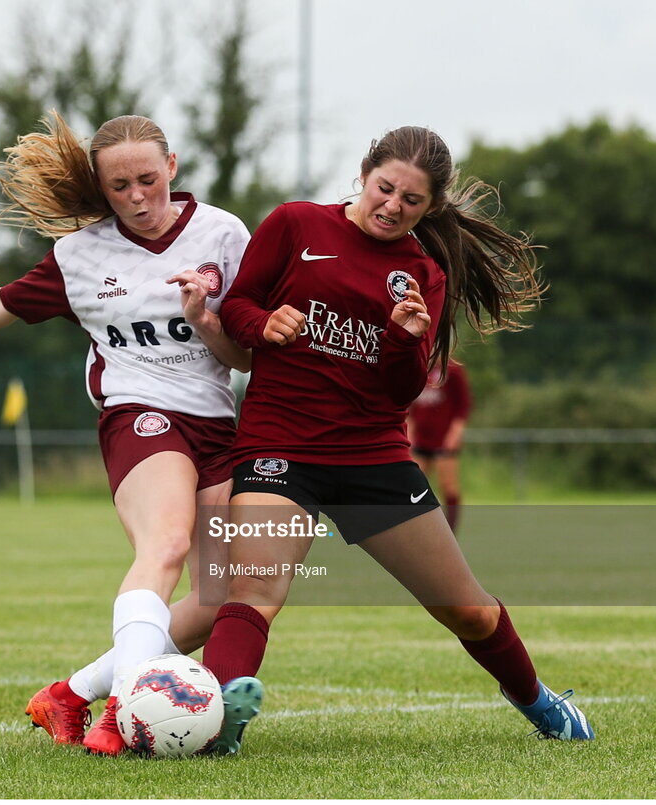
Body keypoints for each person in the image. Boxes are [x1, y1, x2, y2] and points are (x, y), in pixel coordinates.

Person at [0, 111, 251, 756]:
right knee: (164, 544)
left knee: (220, 596)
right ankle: (126, 709)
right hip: (140, 416)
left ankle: (69, 694)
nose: (137, 197)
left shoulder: (225, 235)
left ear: (172, 166)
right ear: (100, 187)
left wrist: (206, 316)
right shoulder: (81, 254)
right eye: (119, 186)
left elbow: (248, 346)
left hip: (220, 425)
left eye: (147, 178)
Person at [200, 125, 594, 755]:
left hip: (371, 458)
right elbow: (239, 305)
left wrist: (407, 340)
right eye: (386, 188)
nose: (392, 206)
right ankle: (218, 716)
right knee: (252, 590)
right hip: (278, 447)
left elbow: (400, 392)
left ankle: (539, 701)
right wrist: (264, 322)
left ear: (430, 206)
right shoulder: (296, 224)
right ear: (364, 174)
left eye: (411, 201)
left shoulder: (422, 273)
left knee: (465, 610)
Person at [407, 359, 471, 531]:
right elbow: (409, 404)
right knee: (413, 486)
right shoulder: (417, 368)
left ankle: (451, 530)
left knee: (448, 486)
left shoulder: (453, 370)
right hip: (420, 439)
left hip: (443, 440)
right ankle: (415, 528)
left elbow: (463, 406)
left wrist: (455, 433)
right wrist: (409, 429)